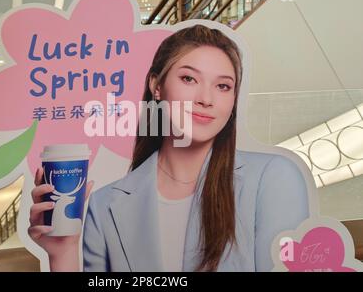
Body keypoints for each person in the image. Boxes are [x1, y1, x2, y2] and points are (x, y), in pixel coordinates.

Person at [28, 24, 310, 272]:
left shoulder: (274, 180)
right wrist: (63, 252)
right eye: (189, 79)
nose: (206, 98)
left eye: (223, 86)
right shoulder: (104, 206)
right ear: (157, 86)